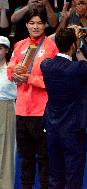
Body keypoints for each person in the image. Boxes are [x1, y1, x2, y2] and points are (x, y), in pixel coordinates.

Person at [40, 26, 87, 189]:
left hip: (52, 129)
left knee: (55, 176)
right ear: (74, 46)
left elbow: (47, 43)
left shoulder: (45, 65)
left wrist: (66, 33)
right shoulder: (77, 69)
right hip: (72, 132)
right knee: (73, 177)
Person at [7, 9, 58, 189]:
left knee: (44, 158)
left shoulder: (51, 47)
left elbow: (53, 80)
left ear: (44, 25)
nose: (35, 26)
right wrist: (15, 75)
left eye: (39, 23)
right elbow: (10, 70)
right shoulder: (19, 46)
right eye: (32, 23)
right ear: (26, 25)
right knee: (25, 157)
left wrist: (29, 78)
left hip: (41, 111)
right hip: (21, 109)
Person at [0, 36, 17, 189]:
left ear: (6, 50)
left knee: (6, 149)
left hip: (6, 107)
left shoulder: (12, 69)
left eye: (0, 48)